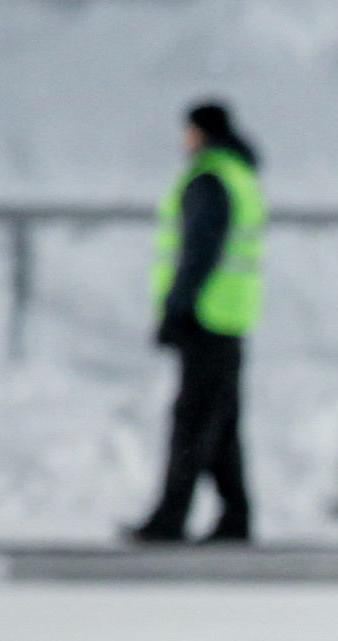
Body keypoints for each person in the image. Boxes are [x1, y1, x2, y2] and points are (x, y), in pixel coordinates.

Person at [129, 101, 265, 545]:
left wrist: (177, 307)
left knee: (192, 421)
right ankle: (235, 516)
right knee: (220, 424)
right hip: (230, 316)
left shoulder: (209, 178)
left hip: (205, 316)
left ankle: (171, 516)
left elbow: (198, 251)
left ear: (200, 132)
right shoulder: (238, 175)